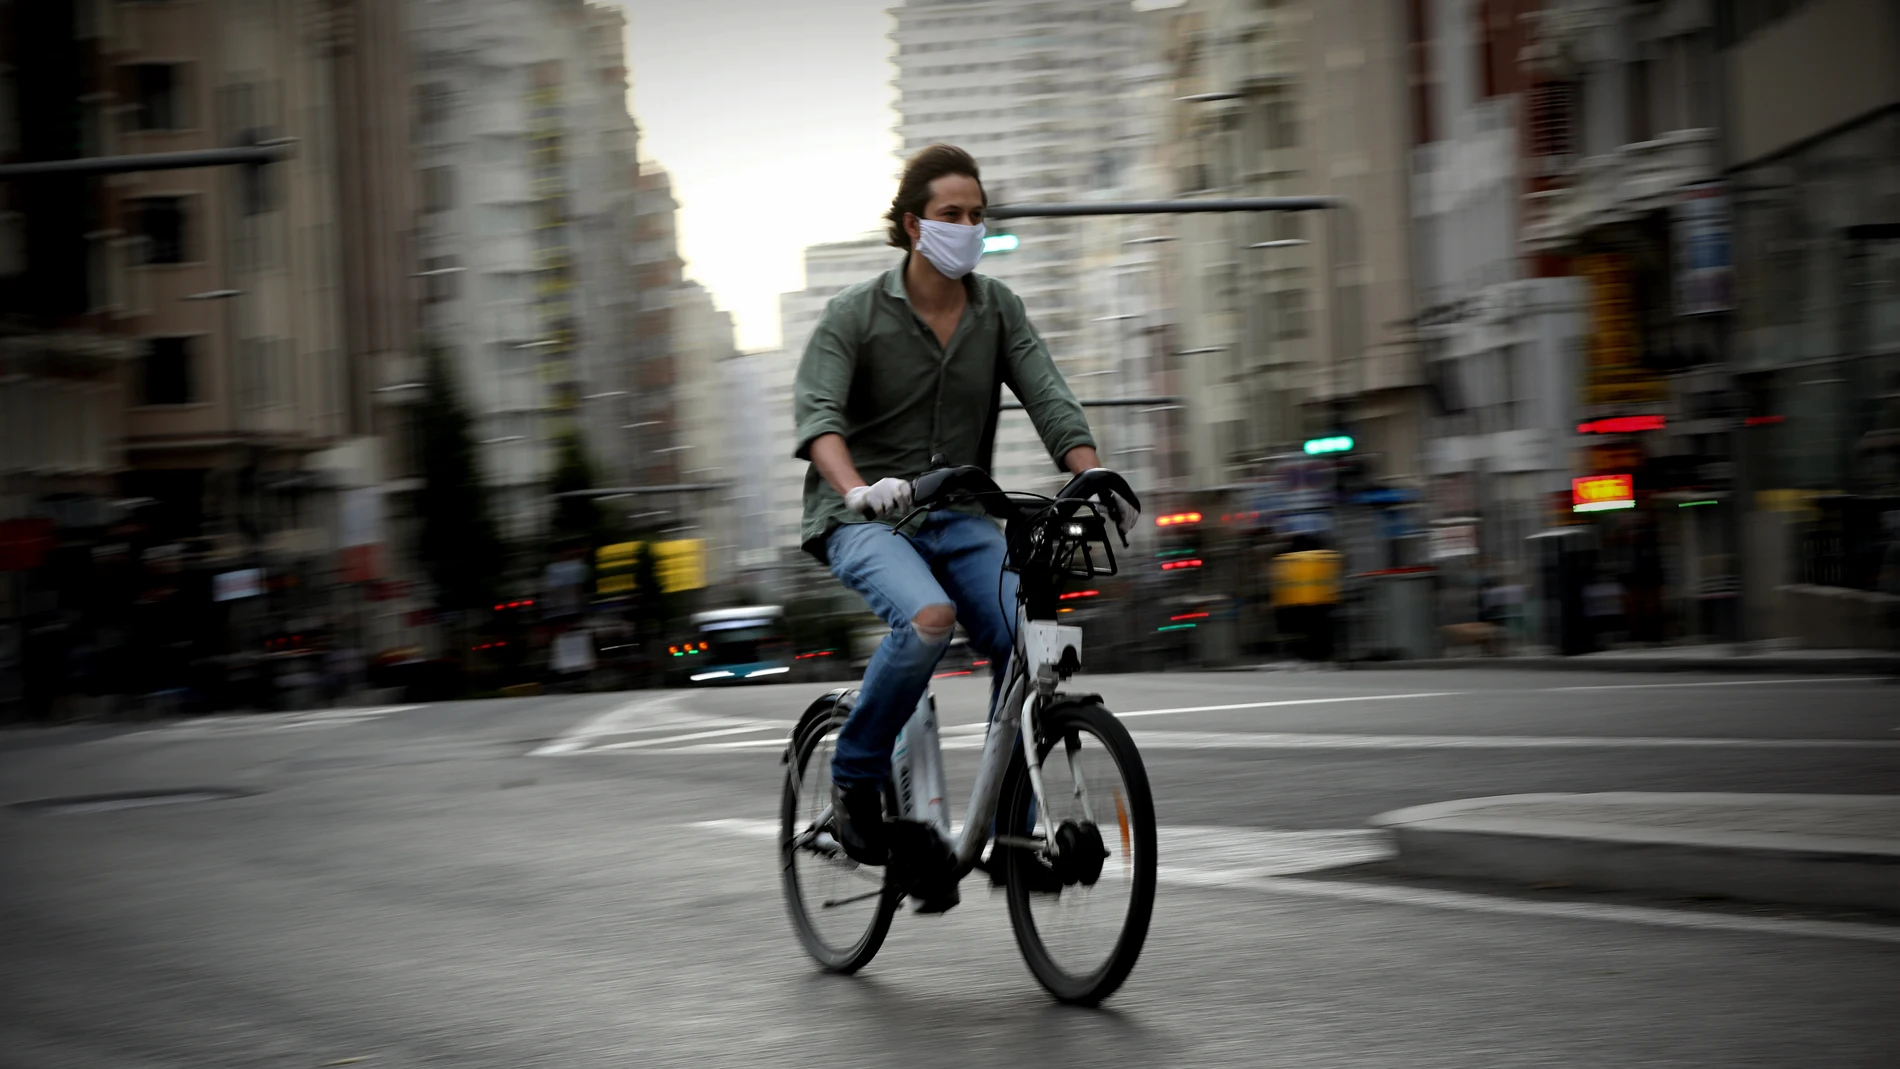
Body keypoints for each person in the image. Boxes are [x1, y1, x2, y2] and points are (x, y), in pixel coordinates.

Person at [792, 144, 1137, 894]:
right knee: (928, 617)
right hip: (865, 520)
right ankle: (854, 782)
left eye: (978, 215)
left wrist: (1092, 472)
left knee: (1029, 648)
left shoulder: (997, 309)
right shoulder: (854, 314)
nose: (968, 227)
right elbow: (819, 417)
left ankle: (1005, 832)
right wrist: (855, 489)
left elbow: (1049, 393)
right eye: (953, 215)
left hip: (960, 511)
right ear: (915, 226)